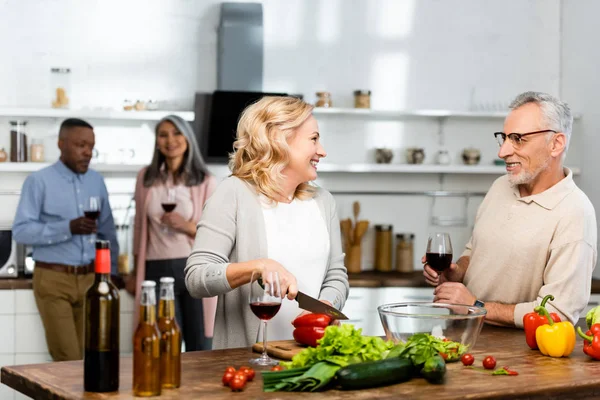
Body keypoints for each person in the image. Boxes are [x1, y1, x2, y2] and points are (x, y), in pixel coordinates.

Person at [185, 96, 350, 349]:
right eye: (314, 139)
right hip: (249, 361)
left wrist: (327, 306)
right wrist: (258, 267)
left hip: (309, 355)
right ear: (279, 139)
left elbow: (336, 275)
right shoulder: (234, 193)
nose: (322, 151)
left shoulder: (323, 201)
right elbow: (197, 277)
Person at [423, 91, 597, 328]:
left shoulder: (575, 212)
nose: (502, 151)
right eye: (504, 138)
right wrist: (456, 272)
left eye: (518, 139)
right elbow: (475, 250)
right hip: (463, 337)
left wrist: (476, 306)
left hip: (518, 355)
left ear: (555, 144)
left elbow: (559, 313)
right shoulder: (501, 186)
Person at [12, 118, 119, 361]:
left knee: (90, 357)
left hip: (92, 279)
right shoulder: (38, 181)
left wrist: (111, 275)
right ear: (61, 144)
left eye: (91, 146)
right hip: (53, 279)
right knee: (68, 360)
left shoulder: (96, 181)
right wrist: (67, 227)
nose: (88, 152)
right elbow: (21, 231)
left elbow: (107, 233)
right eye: (81, 145)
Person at [128, 115, 217, 351]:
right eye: (163, 135)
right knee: (164, 343)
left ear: (188, 138)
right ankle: (169, 388)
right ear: (157, 141)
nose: (171, 140)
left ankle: (198, 388)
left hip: (193, 268)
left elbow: (216, 232)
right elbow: (139, 228)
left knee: (199, 345)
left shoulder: (205, 181)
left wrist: (185, 225)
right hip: (155, 268)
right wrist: (134, 270)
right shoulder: (145, 178)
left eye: (177, 133)